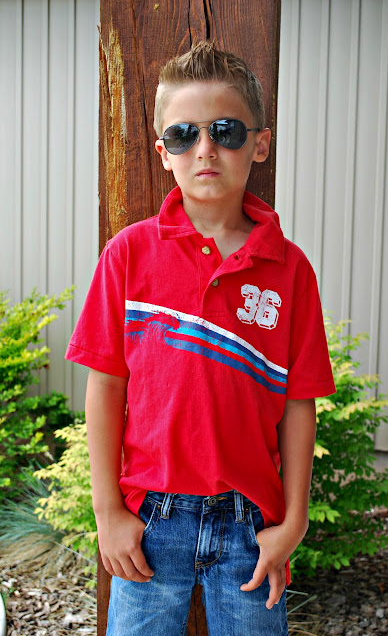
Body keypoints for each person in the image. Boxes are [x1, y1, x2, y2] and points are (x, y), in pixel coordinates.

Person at [65, 41, 335, 635]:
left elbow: (299, 403)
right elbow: (105, 387)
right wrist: (107, 512)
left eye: (225, 131)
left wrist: (293, 522)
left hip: (250, 527)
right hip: (151, 521)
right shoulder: (128, 255)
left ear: (259, 143)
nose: (205, 149)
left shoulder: (290, 270)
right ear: (164, 152)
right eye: (184, 135)